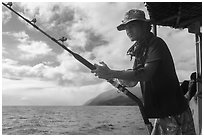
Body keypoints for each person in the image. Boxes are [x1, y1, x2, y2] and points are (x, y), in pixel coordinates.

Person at [91, 9, 195, 135]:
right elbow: (133, 80)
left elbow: (145, 74)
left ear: (144, 26)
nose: (128, 30)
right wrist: (109, 76)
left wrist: (112, 73)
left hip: (175, 113)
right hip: (163, 114)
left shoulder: (156, 43)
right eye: (126, 28)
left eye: (132, 26)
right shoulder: (140, 49)